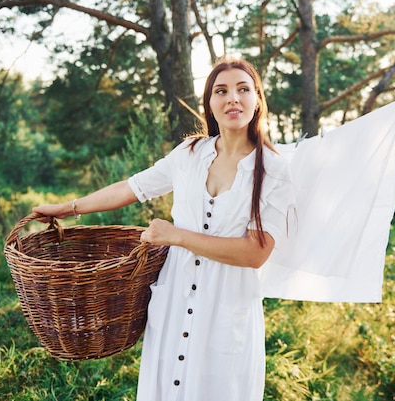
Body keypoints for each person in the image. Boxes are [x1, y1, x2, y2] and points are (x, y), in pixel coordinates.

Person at [33, 57, 296, 401]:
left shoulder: (274, 170)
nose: (233, 98)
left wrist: (176, 236)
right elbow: (131, 187)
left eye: (243, 89)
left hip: (227, 308)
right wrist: (67, 208)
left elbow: (255, 253)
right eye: (222, 91)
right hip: (175, 299)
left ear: (257, 100)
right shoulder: (189, 153)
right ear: (210, 104)